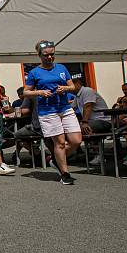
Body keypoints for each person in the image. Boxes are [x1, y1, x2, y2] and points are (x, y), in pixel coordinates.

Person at [23, 40, 82, 185]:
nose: (49, 57)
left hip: (65, 108)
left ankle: (56, 159)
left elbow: (73, 86)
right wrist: (40, 92)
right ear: (39, 55)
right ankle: (65, 173)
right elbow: (26, 92)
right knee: (60, 143)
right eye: (46, 55)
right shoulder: (34, 72)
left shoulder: (62, 68)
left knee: (76, 140)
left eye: (52, 54)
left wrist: (65, 89)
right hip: (48, 111)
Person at [70, 76, 110, 166]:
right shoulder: (78, 96)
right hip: (93, 121)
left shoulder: (87, 91)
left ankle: (98, 155)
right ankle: (80, 152)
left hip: (103, 121)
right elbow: (71, 108)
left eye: (70, 86)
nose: (69, 89)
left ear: (77, 84)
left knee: (80, 129)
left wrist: (84, 122)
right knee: (70, 129)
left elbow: (88, 106)